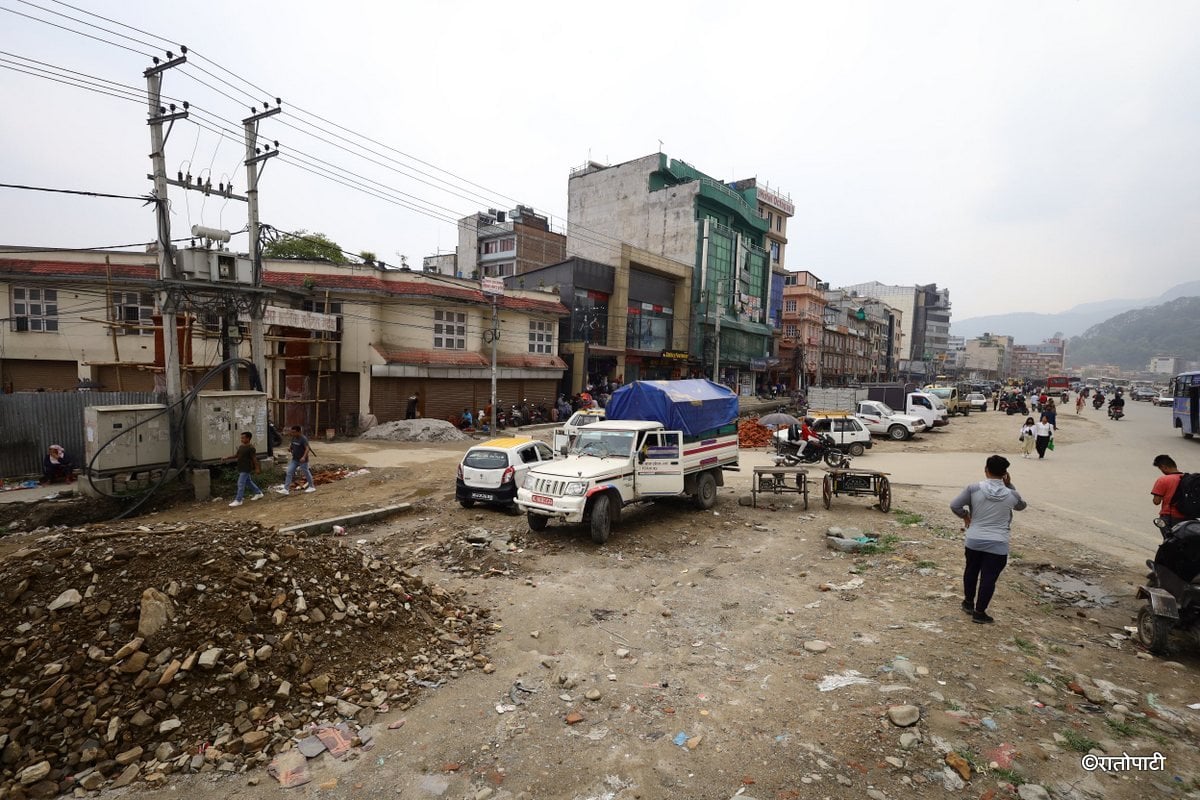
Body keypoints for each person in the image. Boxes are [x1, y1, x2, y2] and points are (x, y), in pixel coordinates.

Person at [950, 454, 1027, 624]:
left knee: (971, 571)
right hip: (998, 543)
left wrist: (966, 516)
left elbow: (954, 505)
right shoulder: (1011, 494)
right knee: (989, 578)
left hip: (974, 539)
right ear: (1005, 473)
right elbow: (1021, 506)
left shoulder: (973, 488)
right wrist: (1009, 485)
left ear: (986, 470)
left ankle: (968, 603)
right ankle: (979, 613)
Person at [226, 431, 264, 507]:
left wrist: (257, 468)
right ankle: (258, 493)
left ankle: (238, 500)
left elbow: (254, 459)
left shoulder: (251, 448)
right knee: (248, 482)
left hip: (247, 468)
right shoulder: (241, 447)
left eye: (243, 438)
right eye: (241, 438)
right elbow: (236, 455)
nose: (241, 439)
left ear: (248, 438)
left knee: (240, 483)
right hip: (241, 467)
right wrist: (227, 458)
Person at [1151, 454, 1186, 534]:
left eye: (1160, 469)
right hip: (1188, 517)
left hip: (1170, 516)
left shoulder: (1163, 480)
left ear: (1164, 467)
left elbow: (1156, 501)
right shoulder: (1188, 478)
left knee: (1169, 541)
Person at [277, 425, 316, 495]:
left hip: (303, 460)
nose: (292, 434)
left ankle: (312, 486)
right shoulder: (294, 438)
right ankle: (286, 489)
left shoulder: (303, 439)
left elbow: (307, 449)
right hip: (295, 459)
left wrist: (304, 457)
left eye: (294, 432)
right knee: (289, 472)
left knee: (306, 472)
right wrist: (290, 448)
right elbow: (292, 445)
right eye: (292, 432)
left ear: (299, 432)